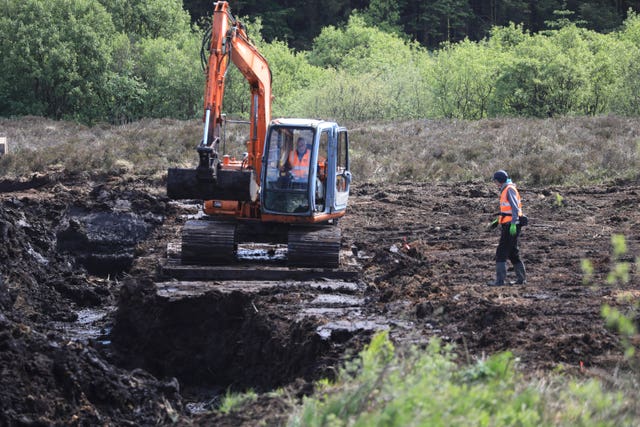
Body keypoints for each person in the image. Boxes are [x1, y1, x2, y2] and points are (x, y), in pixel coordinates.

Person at [487, 170, 526, 286]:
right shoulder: (506, 189)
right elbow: (506, 211)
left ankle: (500, 281)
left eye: (495, 181)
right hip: (508, 224)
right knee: (513, 252)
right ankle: (521, 279)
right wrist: (497, 220)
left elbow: (515, 209)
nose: (495, 183)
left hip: (511, 226)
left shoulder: (509, 189)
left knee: (501, 252)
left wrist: (514, 223)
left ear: (499, 180)